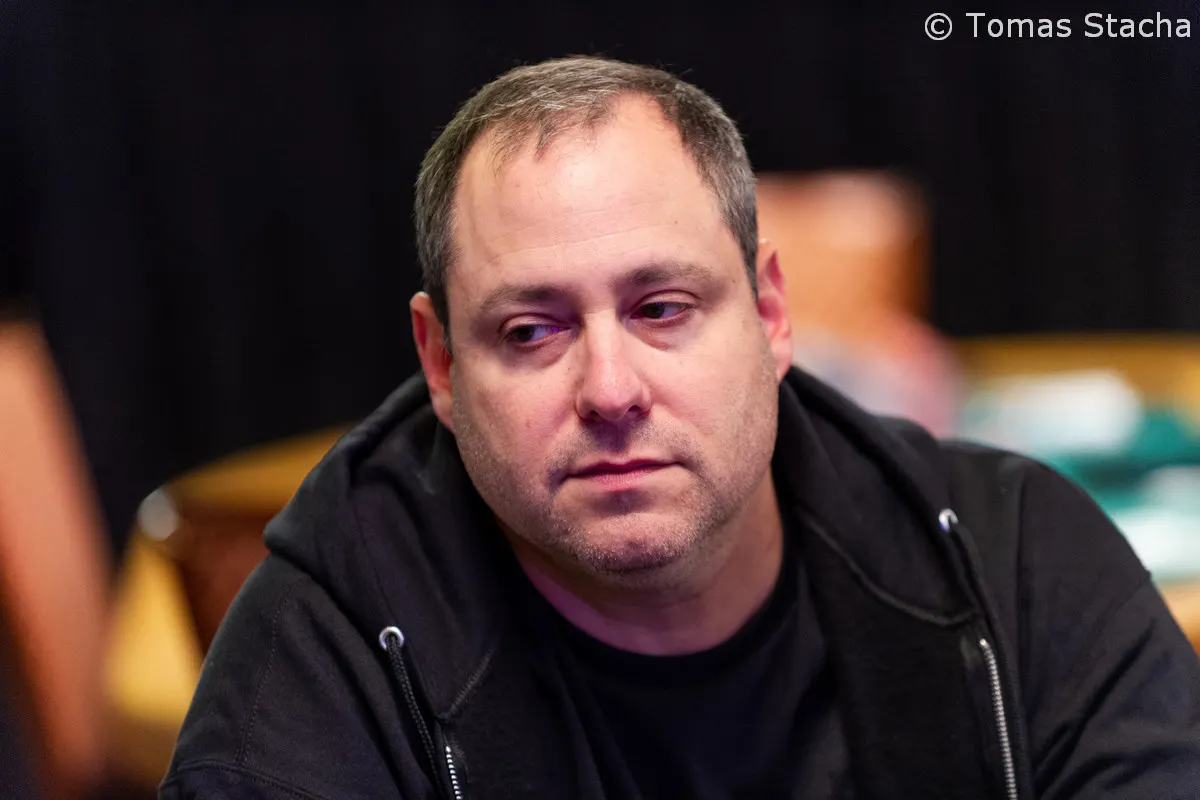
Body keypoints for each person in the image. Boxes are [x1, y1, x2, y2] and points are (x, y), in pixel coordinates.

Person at [161, 56, 1200, 799]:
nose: (611, 388)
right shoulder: (319, 665)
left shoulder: (1018, 567)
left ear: (771, 313)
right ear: (440, 364)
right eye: (531, 330)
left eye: (662, 308)